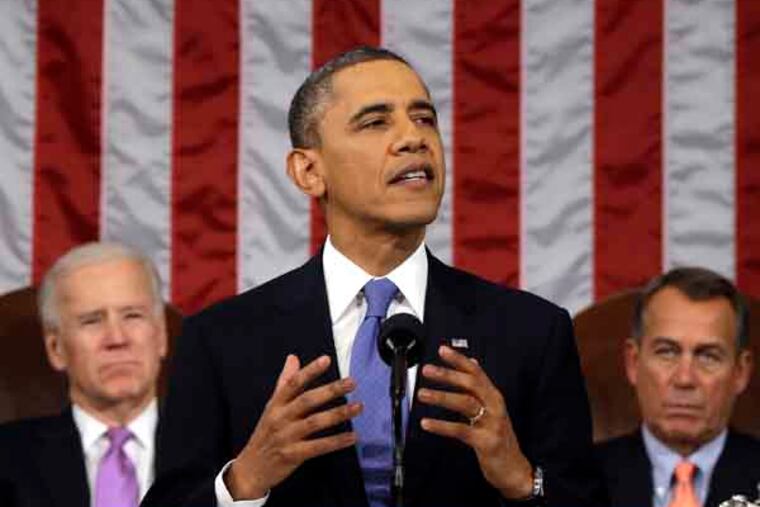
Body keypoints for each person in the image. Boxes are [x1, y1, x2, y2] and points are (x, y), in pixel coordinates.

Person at [143, 46, 605, 507]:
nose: (413, 138)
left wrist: (522, 479)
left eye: (424, 119)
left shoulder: (532, 333)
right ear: (309, 171)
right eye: (376, 122)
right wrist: (244, 481)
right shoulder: (222, 340)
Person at [0, 242, 169, 507]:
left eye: (132, 316)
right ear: (56, 349)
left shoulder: (226, 453)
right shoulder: (7, 460)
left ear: (160, 336)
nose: (117, 338)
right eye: (92, 320)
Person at [596, 267, 760, 507]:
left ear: (740, 372)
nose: (685, 379)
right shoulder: (576, 479)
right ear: (633, 363)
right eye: (667, 352)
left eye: (708, 356)